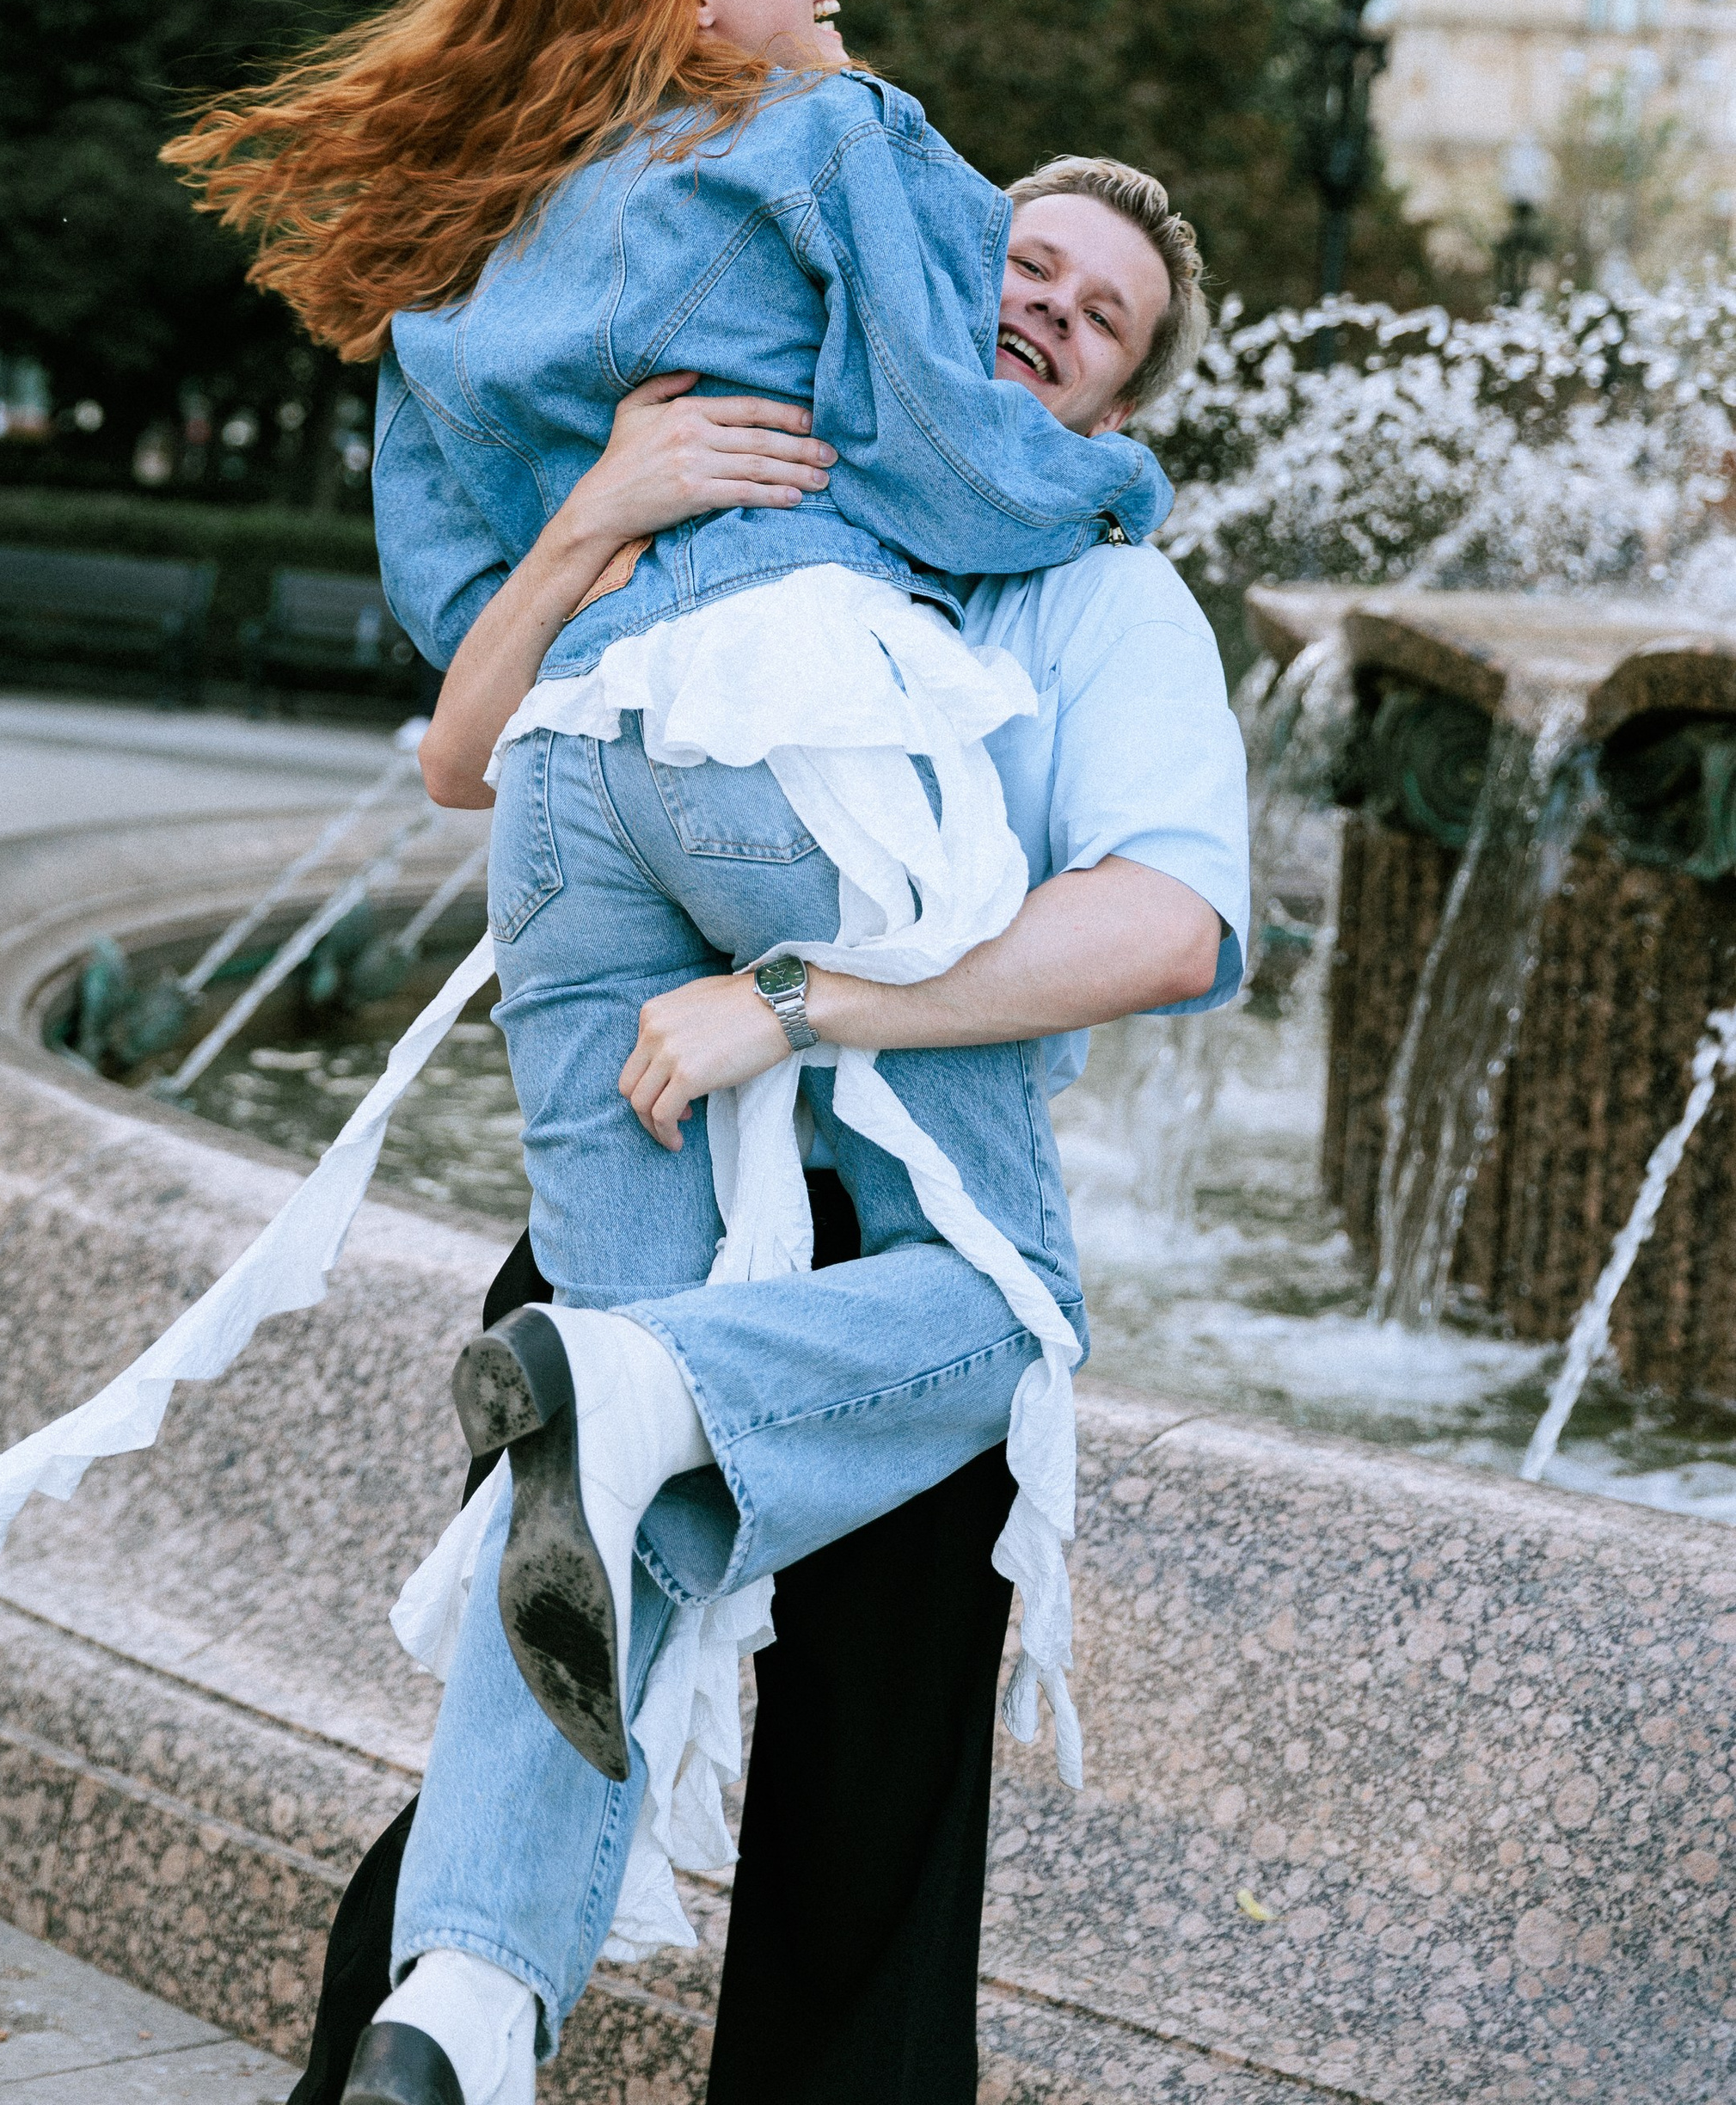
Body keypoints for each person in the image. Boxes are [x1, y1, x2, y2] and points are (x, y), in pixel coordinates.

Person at [284, 161, 1248, 2105]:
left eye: (1099, 319)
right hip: (641, 1204)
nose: (1046, 311)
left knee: (864, 1836)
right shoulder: (762, 470)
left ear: (1115, 411)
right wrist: (597, 513)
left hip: (879, 1272)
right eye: (1022, 266)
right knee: (543, 1701)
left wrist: (796, 1006)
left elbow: (1168, 919)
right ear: (924, 275)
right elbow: (474, 763)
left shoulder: (1103, 593)